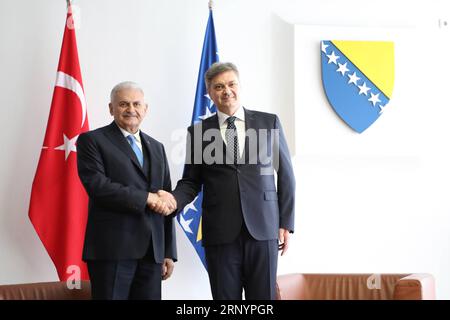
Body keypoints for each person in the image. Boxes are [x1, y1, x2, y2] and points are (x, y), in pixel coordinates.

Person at [158, 62, 296, 300]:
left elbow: (286, 175)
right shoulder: (198, 132)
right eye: (218, 87)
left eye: (231, 84)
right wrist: (172, 199)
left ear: (240, 86)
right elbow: (191, 182)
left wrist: (286, 222)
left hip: (264, 229)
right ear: (210, 94)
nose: (226, 91)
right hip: (220, 234)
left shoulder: (268, 122)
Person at [77, 81, 177, 300]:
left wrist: (168, 251)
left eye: (136, 104)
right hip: (112, 252)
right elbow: (98, 187)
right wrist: (147, 198)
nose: (131, 109)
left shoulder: (157, 147)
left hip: (152, 254)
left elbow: (165, 197)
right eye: (123, 104)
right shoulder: (92, 141)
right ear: (111, 109)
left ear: (145, 109)